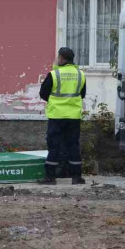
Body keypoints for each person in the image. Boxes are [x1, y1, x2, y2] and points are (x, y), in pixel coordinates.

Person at [37, 47, 86, 185]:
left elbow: (43, 93)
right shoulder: (80, 74)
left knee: (54, 146)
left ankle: (50, 178)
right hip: (73, 117)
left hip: (56, 116)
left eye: (58, 57)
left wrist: (55, 101)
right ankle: (76, 177)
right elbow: (82, 94)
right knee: (73, 146)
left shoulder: (54, 74)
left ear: (62, 58)